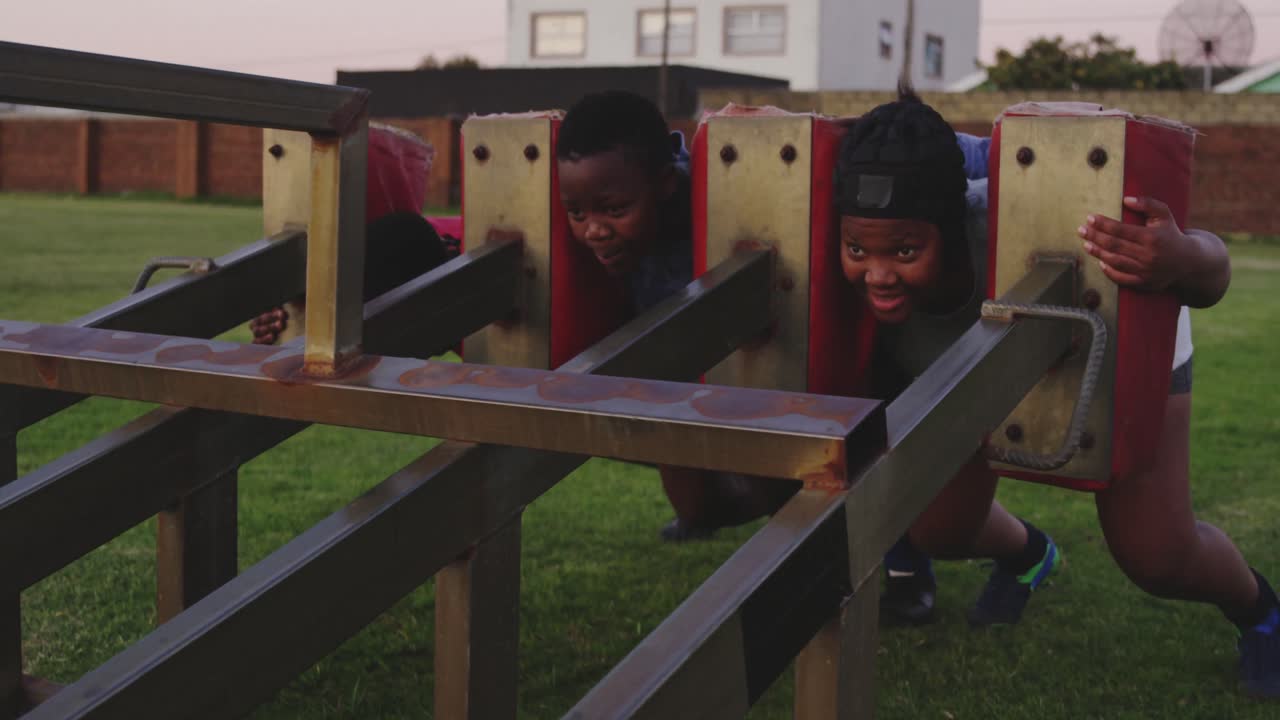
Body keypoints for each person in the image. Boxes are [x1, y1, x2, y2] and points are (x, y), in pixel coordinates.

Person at [838, 87, 1280, 695]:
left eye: (906, 251)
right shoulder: (850, 249)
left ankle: (1262, 612)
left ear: (954, 218)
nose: (879, 273)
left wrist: (1178, 257)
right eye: (858, 249)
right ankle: (1027, 556)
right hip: (968, 360)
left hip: (1116, 329)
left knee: (1157, 555)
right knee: (939, 529)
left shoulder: (1015, 213)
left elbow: (1213, 272)